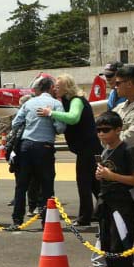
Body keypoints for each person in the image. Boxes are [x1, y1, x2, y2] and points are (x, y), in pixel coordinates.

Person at [74, 64, 134, 267]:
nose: (113, 85)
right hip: (110, 177)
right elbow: (109, 137)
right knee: (105, 225)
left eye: (117, 81)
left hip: (133, 175)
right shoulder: (120, 108)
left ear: (130, 83)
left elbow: (129, 138)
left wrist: (111, 135)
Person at [92, 111, 134, 267]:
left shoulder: (126, 150)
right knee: (107, 245)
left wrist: (112, 176)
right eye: (99, 130)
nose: (102, 134)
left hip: (121, 204)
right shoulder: (105, 151)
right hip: (106, 202)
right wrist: (101, 175)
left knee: (121, 245)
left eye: (106, 130)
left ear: (118, 129)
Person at [40, 74, 99, 227]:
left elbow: (73, 118)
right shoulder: (68, 101)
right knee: (94, 184)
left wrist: (50, 113)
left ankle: (85, 217)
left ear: (67, 87)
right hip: (87, 148)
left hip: (88, 149)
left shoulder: (76, 101)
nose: (55, 89)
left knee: (84, 182)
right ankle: (101, 212)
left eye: (58, 86)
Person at [6, 75, 64, 230]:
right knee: (46, 184)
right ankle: (47, 220)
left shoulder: (29, 103)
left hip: (26, 146)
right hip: (44, 147)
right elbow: (60, 128)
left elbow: (15, 123)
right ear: (51, 88)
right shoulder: (56, 104)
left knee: (22, 185)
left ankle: (17, 220)